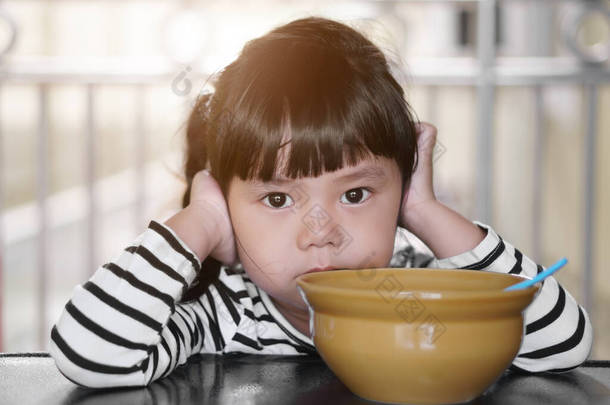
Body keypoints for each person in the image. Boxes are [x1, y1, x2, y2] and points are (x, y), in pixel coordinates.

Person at [48, 16, 593, 388]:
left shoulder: (419, 295)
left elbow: (563, 345)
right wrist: (201, 220)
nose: (321, 232)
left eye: (356, 194)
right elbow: (87, 354)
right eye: (278, 197)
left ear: (399, 192)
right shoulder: (225, 317)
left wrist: (427, 213)